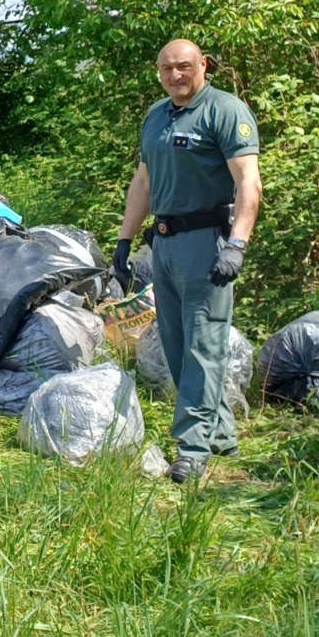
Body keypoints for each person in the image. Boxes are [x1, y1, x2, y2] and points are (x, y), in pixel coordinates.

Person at [112, 39, 262, 484]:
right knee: (178, 347)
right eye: (166, 68)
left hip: (207, 242)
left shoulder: (224, 110)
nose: (175, 75)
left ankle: (193, 448)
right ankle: (219, 432)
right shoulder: (157, 115)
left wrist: (237, 245)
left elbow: (248, 183)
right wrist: (124, 240)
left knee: (204, 345)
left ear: (203, 65)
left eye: (183, 66)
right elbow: (143, 181)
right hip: (165, 243)